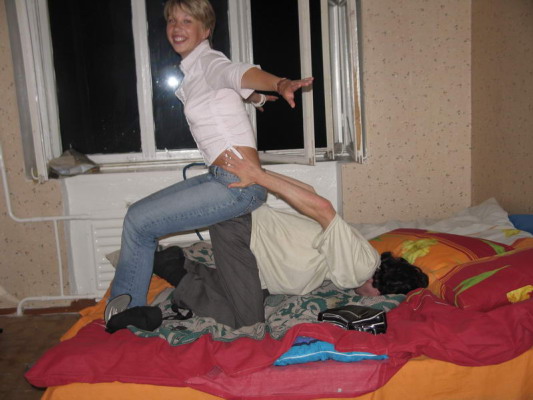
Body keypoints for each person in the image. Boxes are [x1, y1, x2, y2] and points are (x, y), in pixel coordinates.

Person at [107, 0, 314, 313]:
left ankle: (125, 313)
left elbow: (238, 73)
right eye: (172, 21)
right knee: (229, 256)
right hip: (225, 179)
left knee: (138, 221)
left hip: (235, 185)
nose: (177, 28)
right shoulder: (196, 72)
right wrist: (258, 98)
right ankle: (246, 318)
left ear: (205, 30)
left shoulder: (210, 62)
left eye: (187, 21)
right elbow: (235, 85)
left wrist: (279, 83)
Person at [105, 151, 428, 332]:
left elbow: (311, 194)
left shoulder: (354, 261)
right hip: (239, 231)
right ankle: (146, 309)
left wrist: (257, 173)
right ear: (383, 290)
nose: (372, 302)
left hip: (244, 237)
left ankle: (173, 264)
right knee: (249, 325)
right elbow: (323, 208)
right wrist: (257, 175)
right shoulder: (362, 267)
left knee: (247, 295)